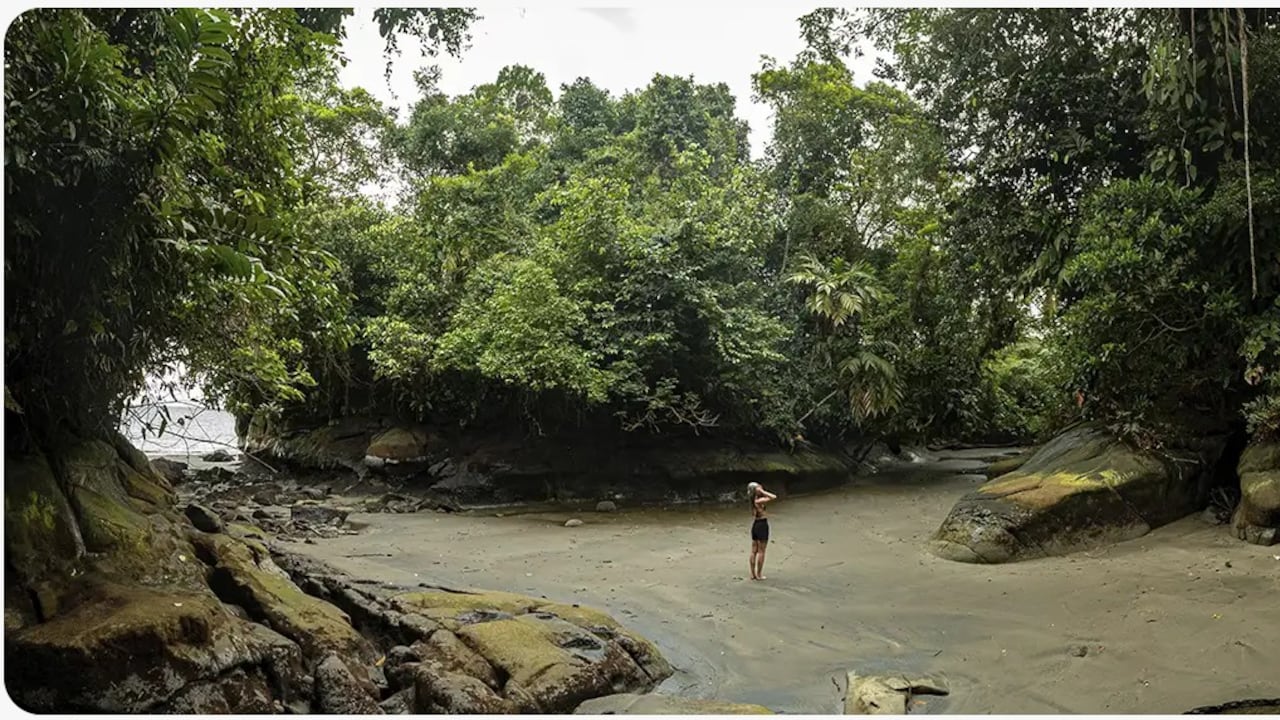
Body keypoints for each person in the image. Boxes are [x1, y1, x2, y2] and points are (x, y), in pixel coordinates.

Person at [746, 482, 776, 580]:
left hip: (755, 525)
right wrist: (762, 491)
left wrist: (760, 491)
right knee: (761, 551)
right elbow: (773, 497)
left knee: (754, 550)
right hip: (762, 524)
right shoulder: (758, 501)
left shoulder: (752, 500)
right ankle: (759, 574)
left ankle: (752, 574)